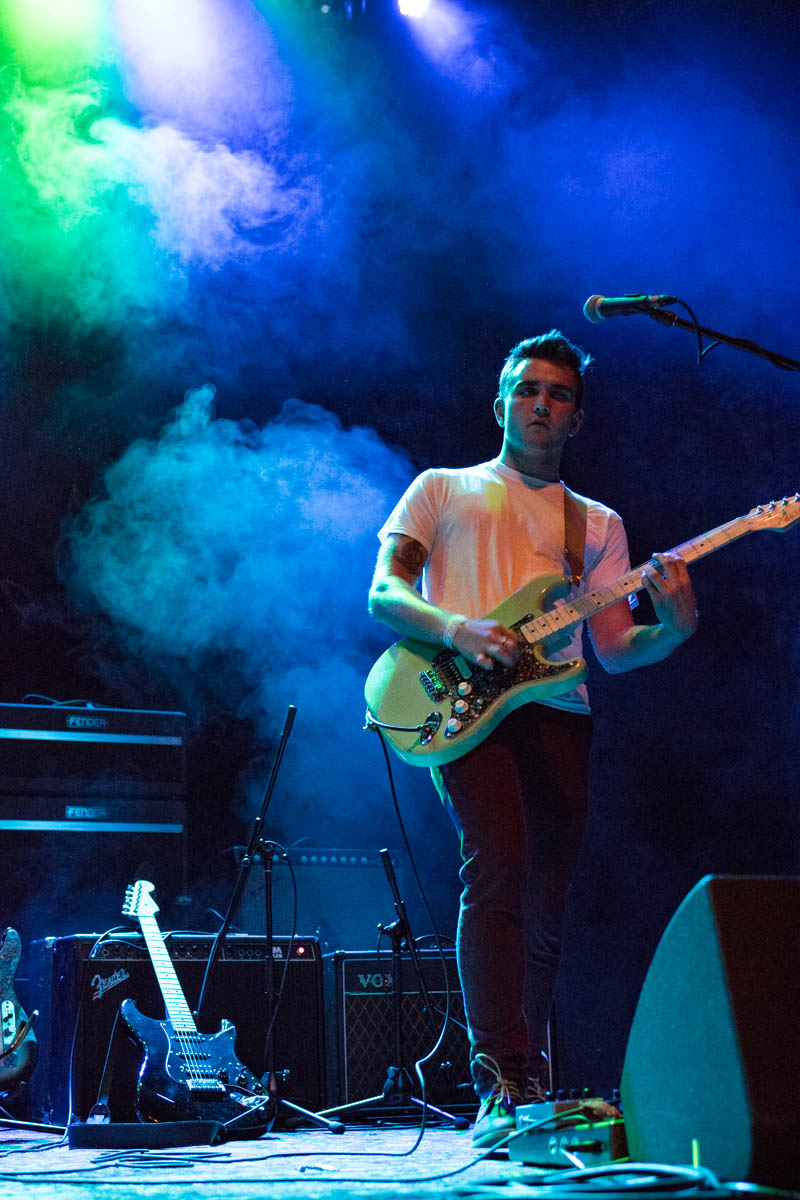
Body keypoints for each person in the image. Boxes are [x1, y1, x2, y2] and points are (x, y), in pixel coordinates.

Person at [367, 330, 699, 1148]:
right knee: (501, 863)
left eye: (556, 393)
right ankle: (500, 1077)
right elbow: (385, 592)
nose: (540, 403)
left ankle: (534, 1076)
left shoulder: (597, 524)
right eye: (526, 388)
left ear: (577, 418)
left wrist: (676, 629)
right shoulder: (442, 490)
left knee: (547, 892)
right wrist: (458, 628)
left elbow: (617, 650)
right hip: (464, 709)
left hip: (559, 711)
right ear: (500, 402)